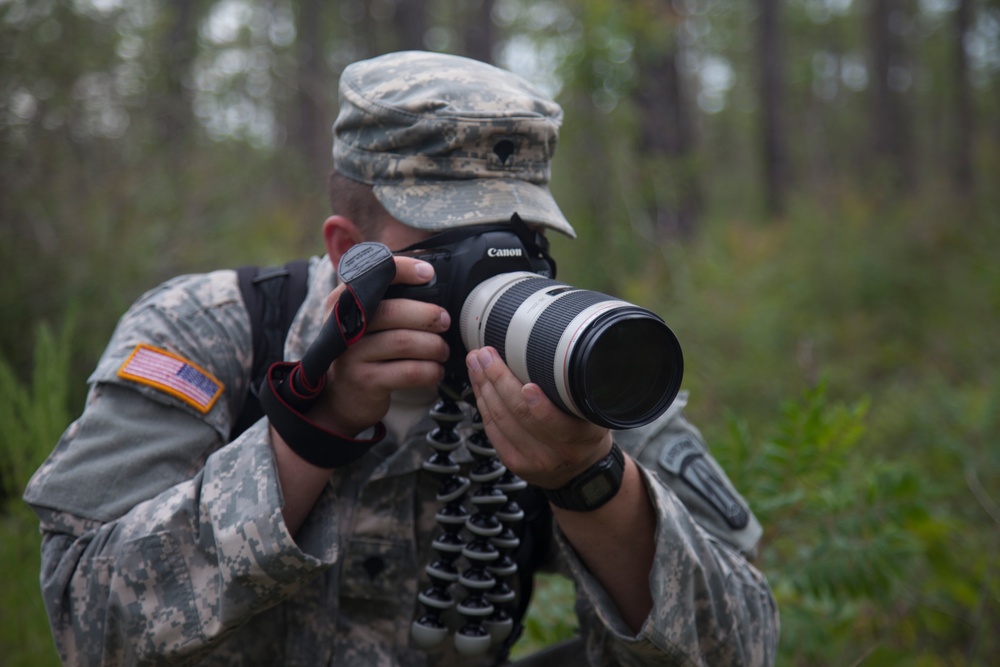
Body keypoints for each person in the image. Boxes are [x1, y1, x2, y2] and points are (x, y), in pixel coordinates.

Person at [24, 50, 778, 666]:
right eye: (457, 250)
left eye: (521, 245)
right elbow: (85, 625)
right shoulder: (210, 330)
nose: (499, 276)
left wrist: (591, 479)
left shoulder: (566, 361)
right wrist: (306, 432)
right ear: (349, 252)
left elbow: (742, 647)